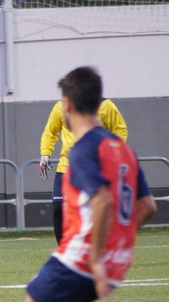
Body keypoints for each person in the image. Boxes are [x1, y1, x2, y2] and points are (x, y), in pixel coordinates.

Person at [6, 66, 156, 302]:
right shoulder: (122, 149)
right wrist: (116, 250)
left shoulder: (84, 149)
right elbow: (147, 206)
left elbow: (102, 200)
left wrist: (97, 260)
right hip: (115, 262)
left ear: (68, 105)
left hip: (83, 258)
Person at [39, 94, 128, 244]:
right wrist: (45, 154)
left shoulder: (105, 106)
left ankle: (97, 245)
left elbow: (120, 130)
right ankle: (64, 248)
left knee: (93, 209)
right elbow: (50, 132)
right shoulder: (61, 107)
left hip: (94, 167)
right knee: (58, 207)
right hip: (66, 167)